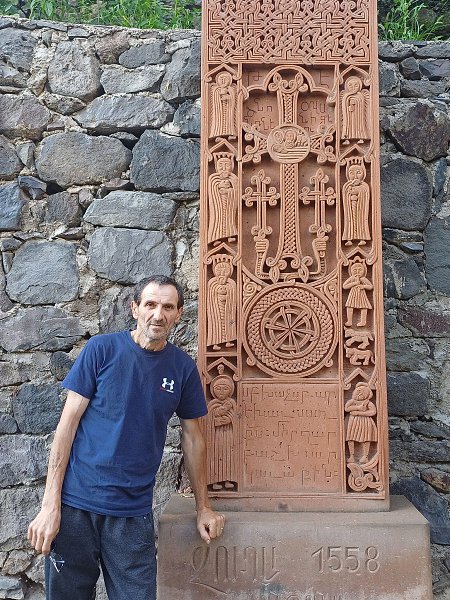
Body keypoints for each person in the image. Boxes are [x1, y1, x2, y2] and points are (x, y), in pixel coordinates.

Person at [28, 275, 225, 600]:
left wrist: (203, 507)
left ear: (179, 314)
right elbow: (67, 426)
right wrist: (50, 505)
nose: (158, 315)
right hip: (76, 507)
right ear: (135, 309)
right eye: (150, 304)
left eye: (168, 307)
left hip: (132, 514)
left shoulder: (182, 369)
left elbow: (193, 439)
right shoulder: (101, 350)